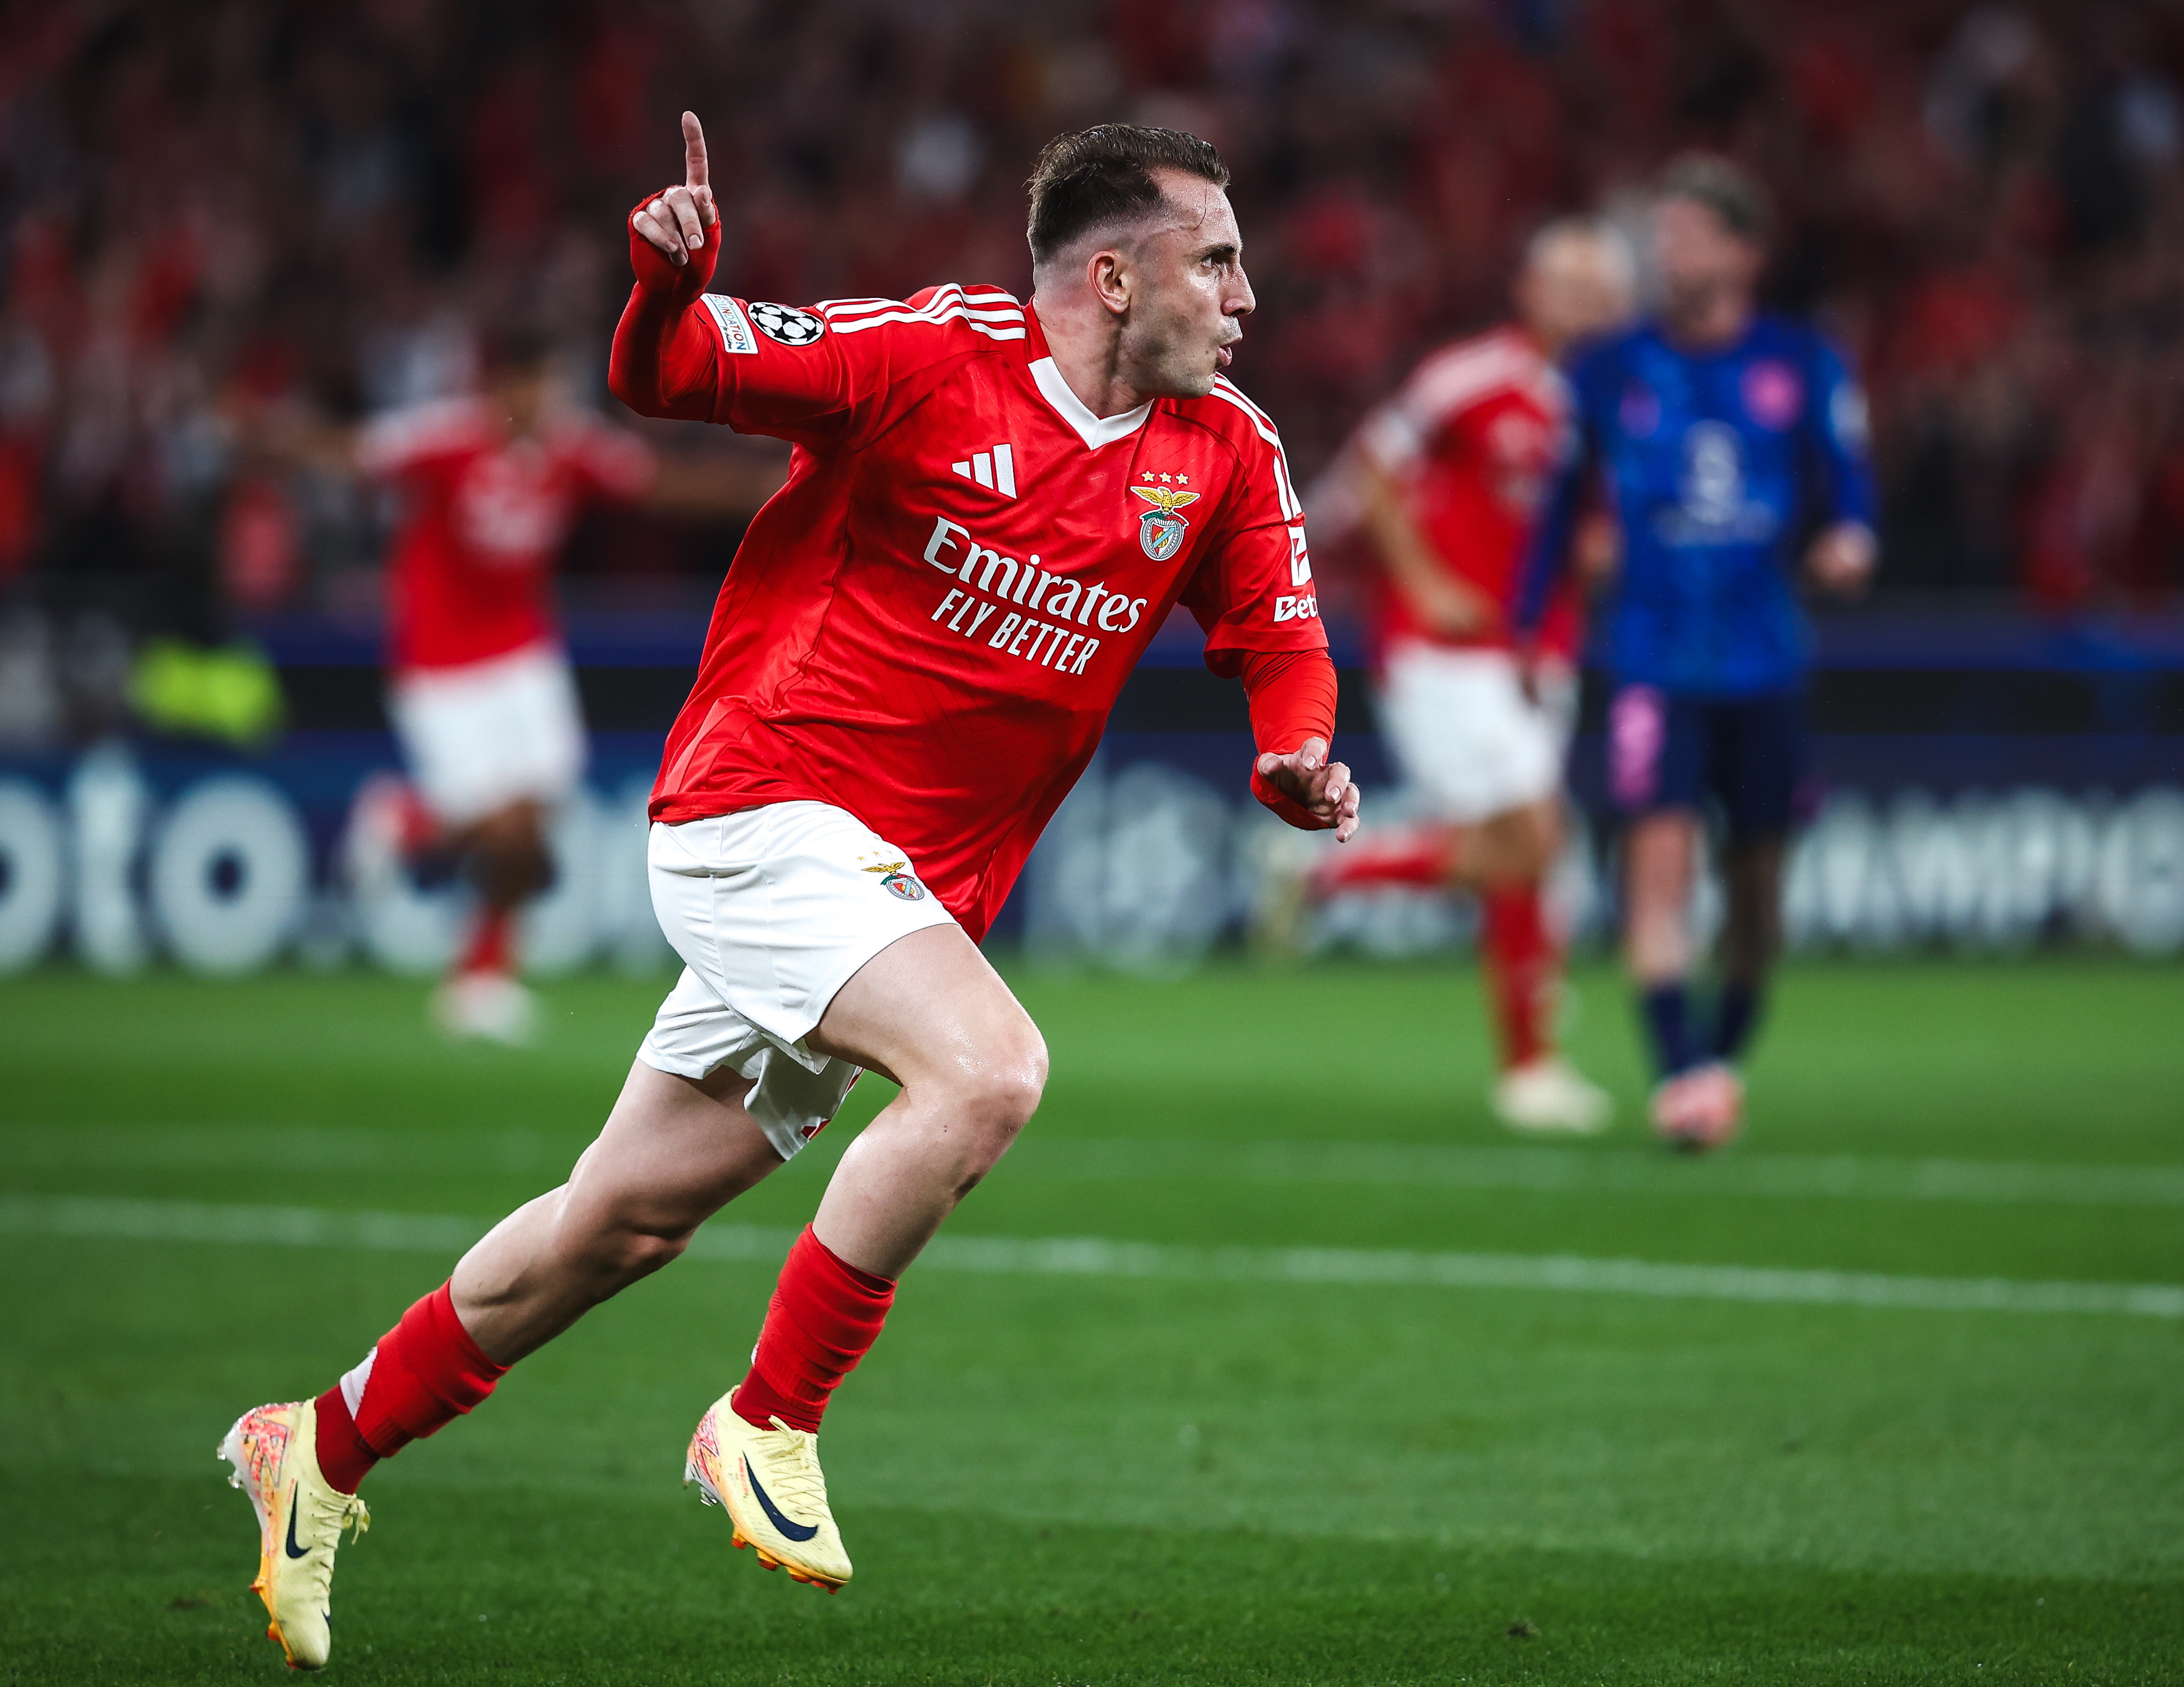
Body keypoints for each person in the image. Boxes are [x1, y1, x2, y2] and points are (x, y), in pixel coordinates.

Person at [218, 114, 1359, 1671]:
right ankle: (766, 1419)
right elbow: (674, 375)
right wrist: (664, 286)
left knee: (614, 1225)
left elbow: (1279, 635)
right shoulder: (922, 357)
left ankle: (321, 1447)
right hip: (765, 812)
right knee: (989, 1070)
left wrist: (1294, 752)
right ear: (1109, 273)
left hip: (895, 889)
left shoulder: (1222, 448)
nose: (1244, 292)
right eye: (1213, 258)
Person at [1522, 155, 1876, 1150]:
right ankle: (1681, 1074)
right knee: (1657, 856)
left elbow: (1849, 480)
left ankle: (1717, 1055)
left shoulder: (1803, 361)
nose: (1666, 254)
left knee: (1758, 887)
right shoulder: (1605, 366)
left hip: (1766, 657)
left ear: (1742, 252)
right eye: (1661, 237)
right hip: (1650, 657)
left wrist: (1852, 537)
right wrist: (1525, 622)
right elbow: (1557, 508)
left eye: (1685, 235)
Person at [1301, 218, 1635, 1134]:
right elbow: (1369, 467)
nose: (1585, 301)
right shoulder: (1470, 377)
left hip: (1539, 651)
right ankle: (1525, 1064)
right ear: (1529, 291)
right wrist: (1422, 579)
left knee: (1532, 864)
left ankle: (1526, 1064)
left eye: (1599, 286)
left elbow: (1593, 524)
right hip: (1442, 646)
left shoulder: (1615, 398)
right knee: (1535, 838)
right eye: (1566, 281)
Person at [341, 331, 657, 1044]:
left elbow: (655, 481)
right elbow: (352, 450)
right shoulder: (446, 438)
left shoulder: (572, 446)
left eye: (551, 385)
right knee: (505, 823)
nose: (542, 400)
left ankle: (478, 972)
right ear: (498, 387)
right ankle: (410, 823)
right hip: (439, 656)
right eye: (530, 385)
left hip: (522, 651)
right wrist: (265, 435)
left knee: (538, 813)